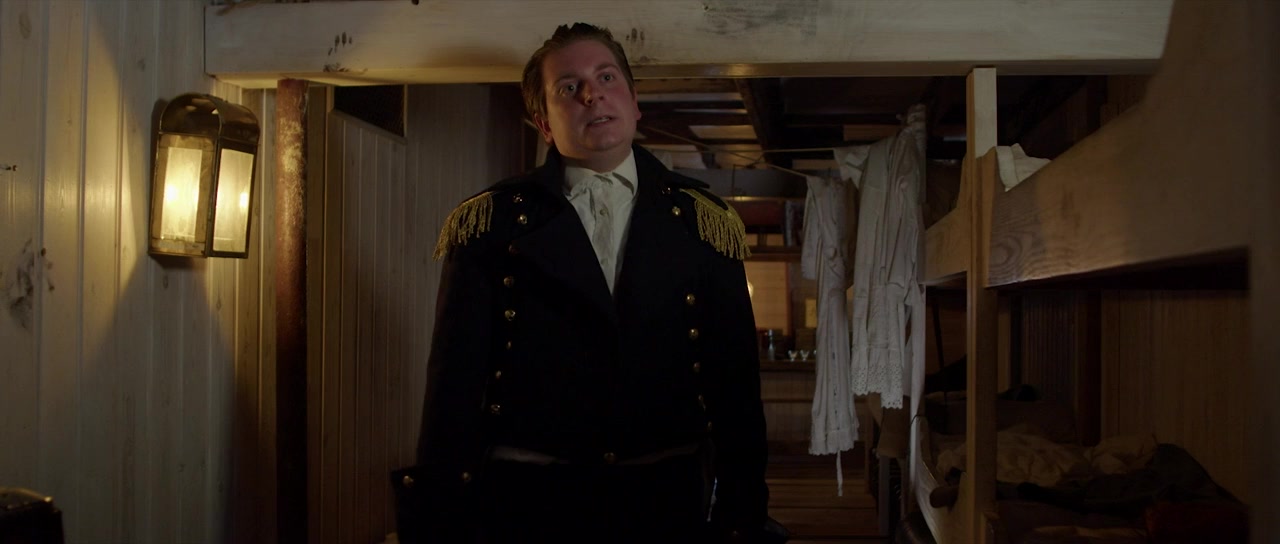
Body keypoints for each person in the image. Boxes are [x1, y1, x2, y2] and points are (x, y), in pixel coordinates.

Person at [392, 22, 780, 543]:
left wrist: (743, 510)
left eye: (606, 77)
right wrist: (438, 516)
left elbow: (735, 384)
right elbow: (453, 385)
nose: (592, 94)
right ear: (544, 124)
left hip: (663, 499)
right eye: (568, 87)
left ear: (635, 102)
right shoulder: (490, 223)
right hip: (530, 501)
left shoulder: (703, 220)